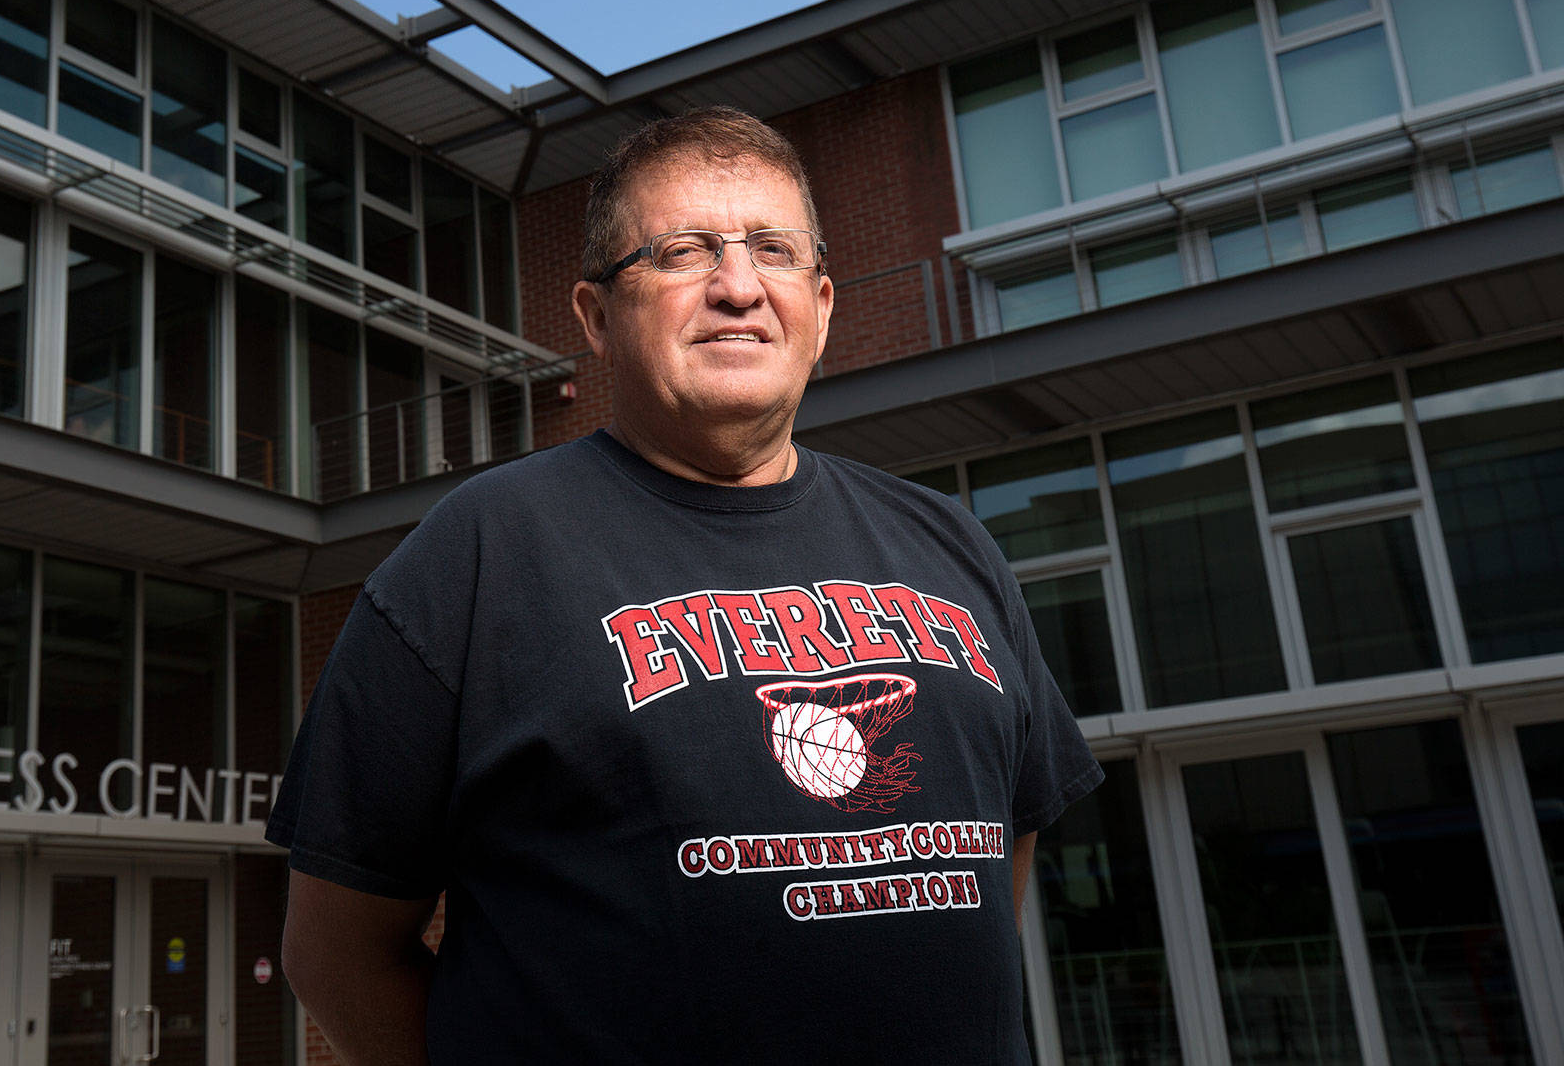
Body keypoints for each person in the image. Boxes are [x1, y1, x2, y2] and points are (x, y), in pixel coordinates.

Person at [266, 107, 1101, 1064]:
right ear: (595, 316)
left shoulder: (952, 544)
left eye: (774, 251)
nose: (738, 286)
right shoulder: (481, 554)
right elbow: (335, 950)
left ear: (822, 307)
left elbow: (1007, 850)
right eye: (683, 252)